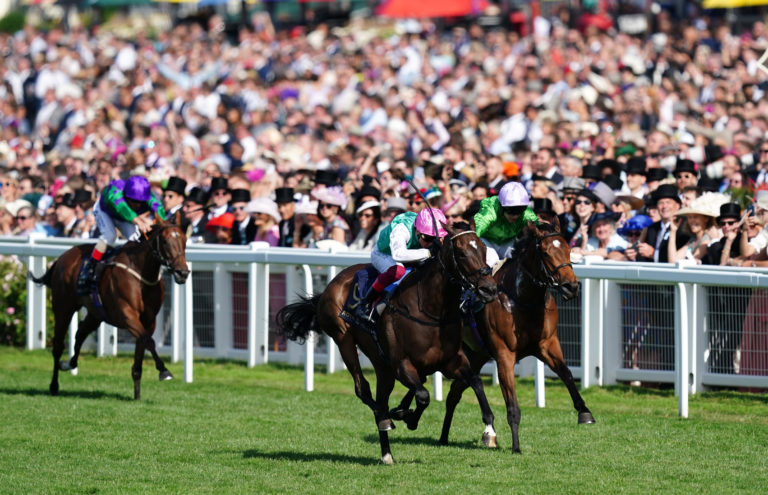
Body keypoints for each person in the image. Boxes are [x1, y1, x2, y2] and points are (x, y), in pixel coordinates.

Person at [357, 207, 448, 319]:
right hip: (385, 253)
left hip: (410, 252)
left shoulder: (427, 232)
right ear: (417, 230)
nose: (430, 243)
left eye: (435, 239)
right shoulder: (401, 229)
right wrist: (428, 253)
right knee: (398, 271)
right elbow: (398, 255)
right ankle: (366, 303)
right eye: (427, 238)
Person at [79, 175, 166, 293]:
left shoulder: (149, 196)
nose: (138, 205)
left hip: (124, 217)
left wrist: (162, 223)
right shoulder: (115, 191)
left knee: (135, 239)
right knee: (110, 237)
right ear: (125, 195)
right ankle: (89, 268)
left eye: (141, 202)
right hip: (105, 211)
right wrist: (139, 221)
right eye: (134, 201)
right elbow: (122, 208)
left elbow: (159, 210)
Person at [474, 181, 539, 267]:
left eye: (520, 209)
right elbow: (475, 232)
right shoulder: (491, 210)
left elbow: (540, 230)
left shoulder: (526, 213)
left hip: (508, 241)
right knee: (493, 261)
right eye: (511, 210)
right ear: (501, 206)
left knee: (516, 261)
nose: (515, 215)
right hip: (487, 240)